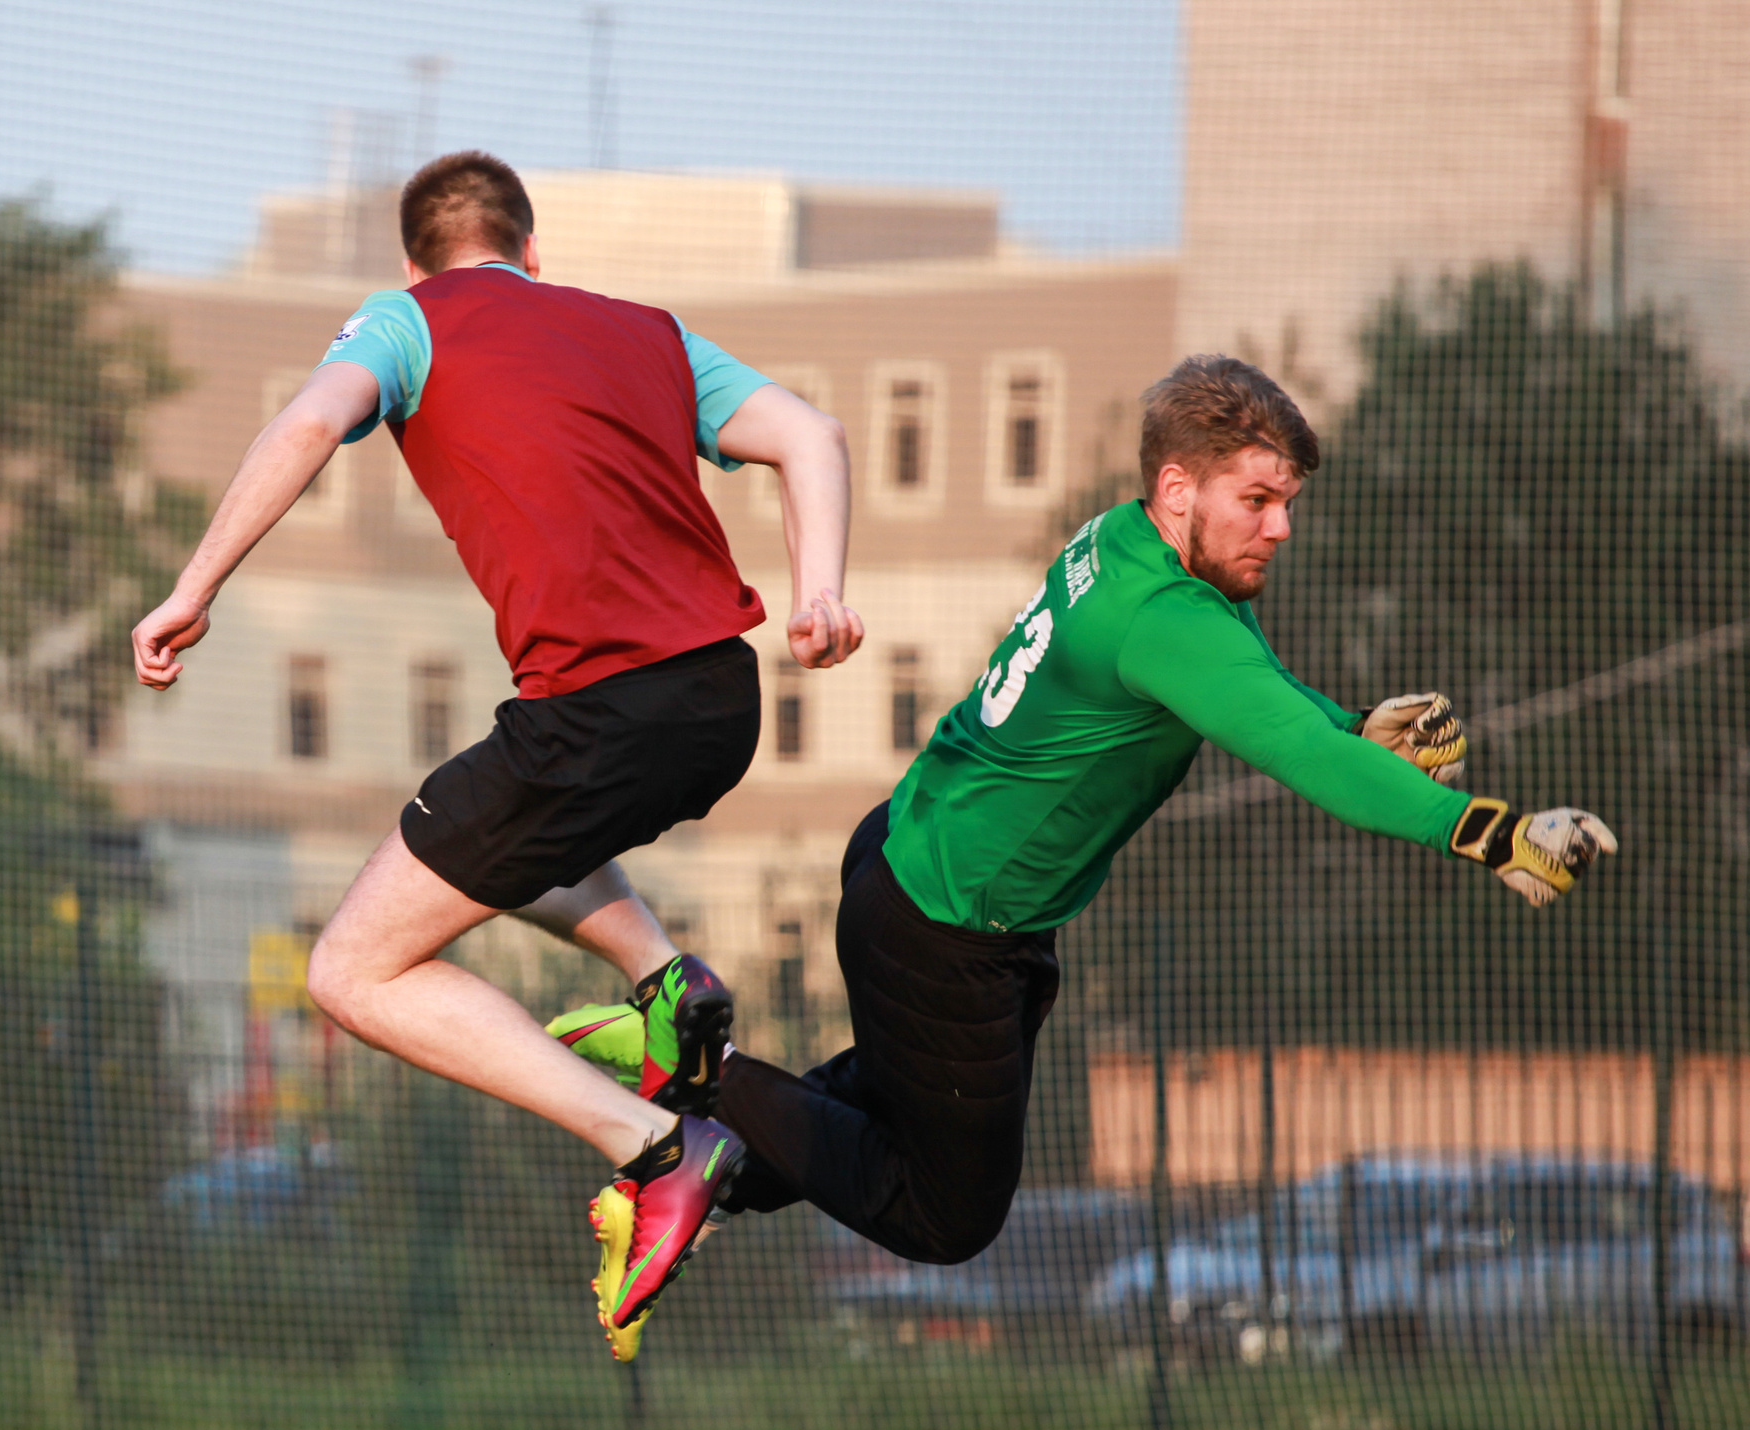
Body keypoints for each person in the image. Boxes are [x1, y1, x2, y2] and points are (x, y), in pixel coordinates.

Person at [553, 354, 1616, 1332]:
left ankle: (691, 1149)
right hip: (949, 925)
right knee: (941, 1216)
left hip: (921, 864)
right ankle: (692, 1065)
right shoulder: (1168, 617)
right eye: (1258, 499)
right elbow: (1297, 751)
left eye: (1286, 502)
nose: (1280, 525)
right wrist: (1495, 832)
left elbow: (1266, 702)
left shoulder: (1126, 543)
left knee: (874, 1108)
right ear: (1177, 490)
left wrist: (1350, 727)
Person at [129, 151, 864, 1359]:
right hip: (720, 701)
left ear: (415, 264)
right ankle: (666, 980)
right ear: (533, 254)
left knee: (355, 969)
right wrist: (818, 593)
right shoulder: (647, 331)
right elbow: (813, 434)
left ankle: (656, 1149)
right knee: (467, 837)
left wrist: (194, 588)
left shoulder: (404, 319)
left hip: (597, 712)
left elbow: (311, 417)